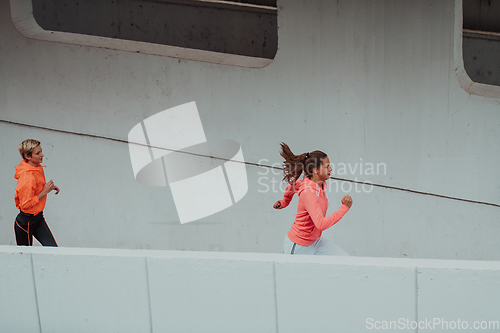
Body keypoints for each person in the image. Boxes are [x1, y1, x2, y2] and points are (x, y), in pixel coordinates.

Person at [273, 142, 352, 255]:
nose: (331, 169)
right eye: (327, 166)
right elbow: (321, 224)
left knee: (344, 259)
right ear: (315, 170)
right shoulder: (309, 192)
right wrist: (344, 208)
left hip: (316, 241)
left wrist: (284, 202)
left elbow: (292, 186)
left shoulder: (318, 185)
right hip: (299, 245)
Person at [14, 139, 59, 246]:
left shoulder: (37, 167)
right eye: (38, 153)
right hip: (25, 223)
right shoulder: (27, 177)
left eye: (41, 151)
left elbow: (34, 187)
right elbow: (25, 205)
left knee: (53, 251)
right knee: (26, 258)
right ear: (28, 157)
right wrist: (44, 192)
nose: (42, 155)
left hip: (38, 218)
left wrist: (48, 187)